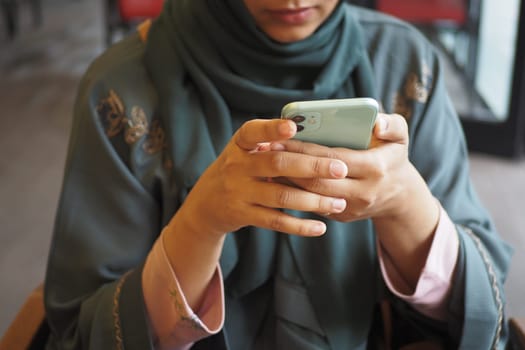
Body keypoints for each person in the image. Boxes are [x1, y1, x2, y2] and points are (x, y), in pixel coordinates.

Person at [43, 0, 513, 349]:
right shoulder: (123, 92)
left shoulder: (407, 67)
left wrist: (407, 207)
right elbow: (87, 332)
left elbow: (474, 307)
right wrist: (201, 223)